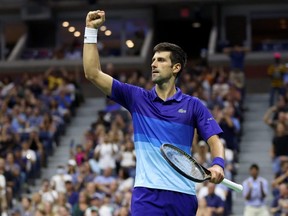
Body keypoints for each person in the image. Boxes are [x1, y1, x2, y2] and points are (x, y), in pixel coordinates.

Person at [83, 10, 225, 215]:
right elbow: (92, 73)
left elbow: (214, 140)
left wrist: (218, 164)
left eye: (160, 60)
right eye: (153, 59)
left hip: (182, 196)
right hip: (147, 195)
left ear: (176, 68)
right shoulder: (137, 98)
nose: (153, 63)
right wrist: (90, 31)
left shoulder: (194, 105)